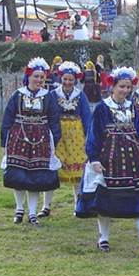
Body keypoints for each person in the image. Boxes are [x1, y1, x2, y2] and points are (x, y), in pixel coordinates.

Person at [76, 67, 139, 255]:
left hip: (132, 159)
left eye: (128, 87)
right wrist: (93, 158)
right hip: (110, 158)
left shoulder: (131, 106)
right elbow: (94, 134)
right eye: (122, 87)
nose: (125, 91)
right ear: (113, 87)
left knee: (138, 196)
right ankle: (103, 237)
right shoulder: (102, 108)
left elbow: (138, 132)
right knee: (106, 199)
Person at [0, 57, 62, 226]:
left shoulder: (48, 97)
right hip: (18, 138)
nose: (39, 80)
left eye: (42, 77)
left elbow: (54, 120)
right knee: (18, 175)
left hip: (41, 140)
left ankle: (33, 213)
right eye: (36, 76)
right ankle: (19, 209)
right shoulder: (18, 95)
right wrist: (3, 143)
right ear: (29, 77)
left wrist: (53, 142)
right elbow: (7, 119)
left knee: (36, 177)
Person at [48, 61, 92, 214]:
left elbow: (86, 116)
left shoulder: (80, 96)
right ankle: (46, 206)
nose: (67, 82)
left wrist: (88, 136)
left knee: (78, 172)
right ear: (61, 78)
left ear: (75, 80)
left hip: (76, 136)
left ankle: (78, 205)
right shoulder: (53, 94)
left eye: (71, 80)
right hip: (58, 134)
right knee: (53, 169)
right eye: (65, 79)